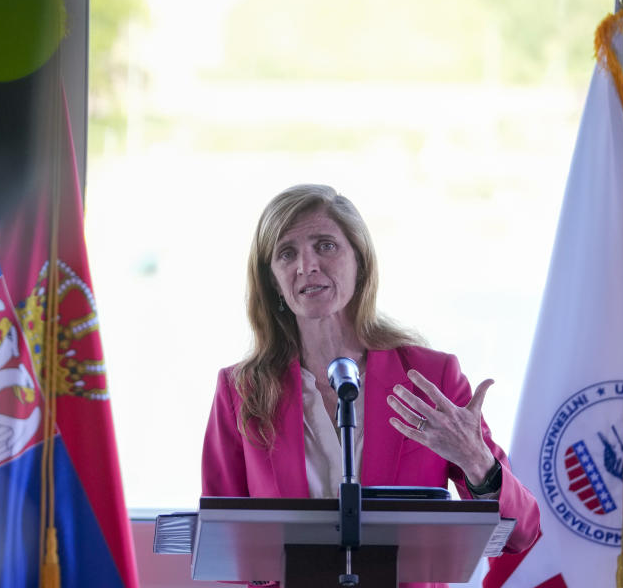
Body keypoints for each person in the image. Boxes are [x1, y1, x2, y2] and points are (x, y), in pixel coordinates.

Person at [201, 184, 540, 588]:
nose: (307, 265)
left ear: (360, 262)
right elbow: (222, 546)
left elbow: (523, 532)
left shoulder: (431, 377)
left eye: (325, 245)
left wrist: (475, 459)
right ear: (272, 280)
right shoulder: (240, 391)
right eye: (286, 253)